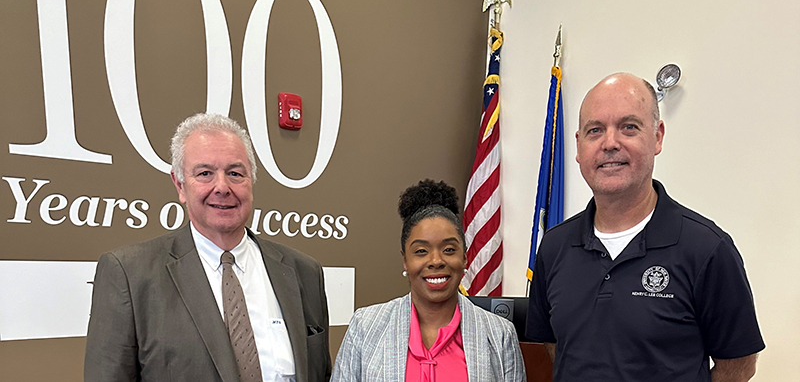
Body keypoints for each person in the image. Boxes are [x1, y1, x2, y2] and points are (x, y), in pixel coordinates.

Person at [526, 73, 765, 381]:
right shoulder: (555, 246)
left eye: (628, 127)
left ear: (657, 136)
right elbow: (555, 345)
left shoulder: (707, 249)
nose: (610, 143)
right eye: (595, 130)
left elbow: (739, 364)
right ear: (578, 146)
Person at [85, 113, 331, 382]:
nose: (222, 187)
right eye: (205, 174)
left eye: (235, 173)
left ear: (251, 181)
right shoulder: (130, 275)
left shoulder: (304, 272)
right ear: (179, 185)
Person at [331, 180, 525, 382]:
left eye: (449, 250)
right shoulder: (365, 327)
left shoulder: (499, 334)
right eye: (421, 251)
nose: (436, 261)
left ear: (465, 257)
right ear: (405, 260)